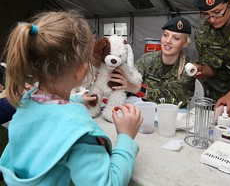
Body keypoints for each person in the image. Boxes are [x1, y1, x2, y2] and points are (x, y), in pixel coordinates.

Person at [0, 10, 143, 185]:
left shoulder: (25, 102)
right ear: (81, 69)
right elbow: (108, 182)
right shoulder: (79, 131)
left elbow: (49, 111)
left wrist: (76, 100)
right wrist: (126, 137)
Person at [109, 17, 196, 107]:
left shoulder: (188, 69)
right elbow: (131, 77)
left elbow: (175, 99)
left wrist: (137, 89)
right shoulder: (148, 59)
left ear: (185, 43)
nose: (168, 41)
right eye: (165, 35)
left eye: (176, 38)